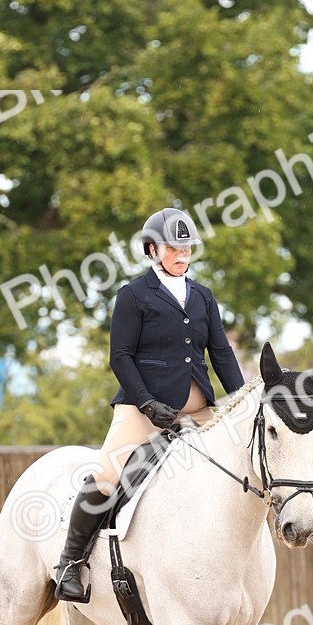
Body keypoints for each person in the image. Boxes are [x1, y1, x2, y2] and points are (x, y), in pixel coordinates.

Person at [53, 206, 246, 601]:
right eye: (174, 248)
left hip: (196, 408)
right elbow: (120, 357)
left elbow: (222, 353)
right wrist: (144, 402)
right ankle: (70, 563)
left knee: (238, 463)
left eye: (187, 247)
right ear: (152, 249)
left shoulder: (203, 297)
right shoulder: (134, 295)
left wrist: (242, 401)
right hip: (143, 408)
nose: (182, 255)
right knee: (108, 474)